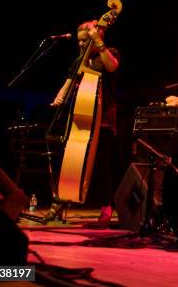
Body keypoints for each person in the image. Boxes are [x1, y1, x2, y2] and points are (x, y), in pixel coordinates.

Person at [49, 20, 120, 226]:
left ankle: (106, 208)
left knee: (101, 164)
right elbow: (69, 81)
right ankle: (63, 198)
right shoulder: (81, 60)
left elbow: (112, 67)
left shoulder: (108, 53)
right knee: (71, 158)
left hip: (104, 116)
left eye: (84, 41)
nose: (81, 45)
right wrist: (59, 97)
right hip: (82, 115)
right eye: (79, 41)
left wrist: (97, 40)